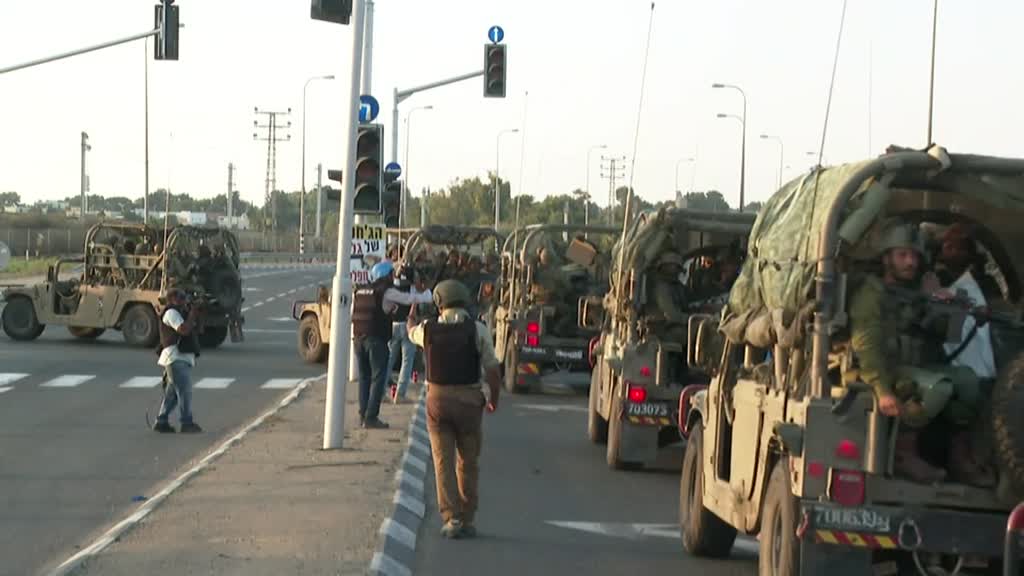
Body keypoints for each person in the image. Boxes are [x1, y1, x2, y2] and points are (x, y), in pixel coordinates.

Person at [844, 222, 992, 486]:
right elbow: (866, 345)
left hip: (916, 366)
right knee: (940, 388)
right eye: (902, 255)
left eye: (914, 256)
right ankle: (903, 452)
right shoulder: (871, 293)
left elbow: (949, 335)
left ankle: (958, 456)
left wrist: (950, 306)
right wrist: (882, 389)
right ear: (887, 257)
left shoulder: (917, 292)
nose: (910, 262)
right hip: (885, 370)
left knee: (968, 382)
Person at [407, 279, 501, 539]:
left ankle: (451, 518)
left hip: (437, 402)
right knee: (468, 462)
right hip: (470, 404)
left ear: (439, 303)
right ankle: (468, 517)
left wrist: (411, 317)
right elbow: (492, 369)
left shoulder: (427, 329)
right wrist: (494, 398)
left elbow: (410, 331)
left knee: (442, 462)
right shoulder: (478, 329)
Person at [353, 260, 433, 428]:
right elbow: (409, 298)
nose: (393, 277)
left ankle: (363, 415)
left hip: (359, 339)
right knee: (378, 378)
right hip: (375, 339)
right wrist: (429, 294)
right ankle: (371, 417)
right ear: (386, 275)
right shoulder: (386, 292)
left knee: (364, 378)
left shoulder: (361, 290)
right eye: (391, 274)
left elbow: (377, 310)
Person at [153, 287, 203, 434]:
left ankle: (161, 421)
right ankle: (186, 423)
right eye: (181, 297)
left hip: (182, 359)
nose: (184, 300)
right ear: (172, 299)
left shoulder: (182, 312)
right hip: (175, 358)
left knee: (172, 394)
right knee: (184, 392)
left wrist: (198, 315)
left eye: (184, 297)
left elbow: (199, 330)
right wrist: (192, 314)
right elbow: (183, 330)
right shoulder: (171, 313)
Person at [385, 265, 426, 404]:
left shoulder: (392, 287)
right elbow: (414, 307)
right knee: (407, 361)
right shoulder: (412, 289)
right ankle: (400, 395)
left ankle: (380, 392)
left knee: (389, 359)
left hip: (393, 325)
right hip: (407, 325)